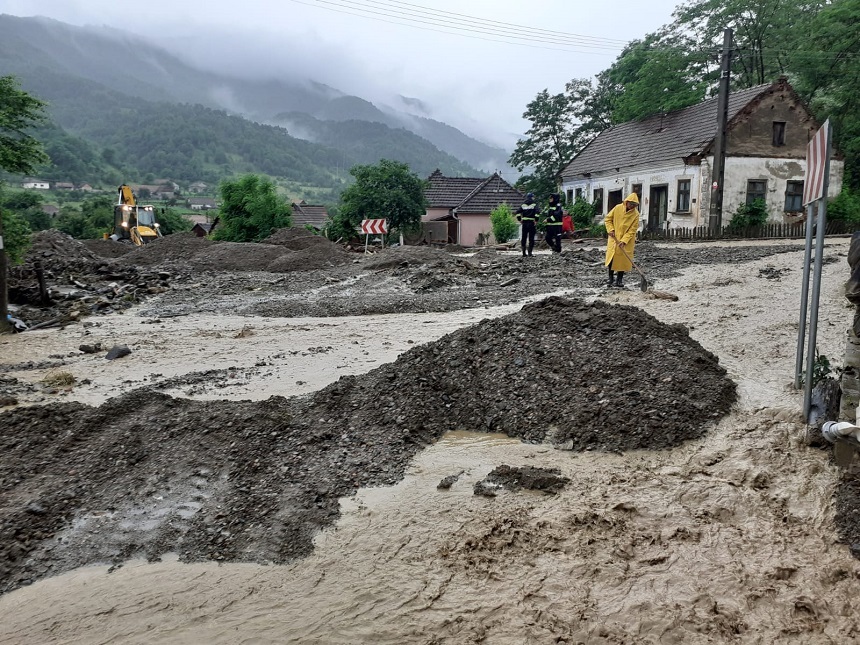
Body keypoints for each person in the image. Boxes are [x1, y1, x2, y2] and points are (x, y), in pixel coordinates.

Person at [604, 193, 640, 288]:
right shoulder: (617, 208)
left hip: (626, 241)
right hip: (614, 238)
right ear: (626, 202)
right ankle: (610, 278)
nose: (632, 207)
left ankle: (619, 280)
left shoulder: (636, 215)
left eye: (634, 205)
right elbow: (608, 219)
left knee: (623, 260)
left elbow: (633, 229)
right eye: (631, 204)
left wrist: (624, 240)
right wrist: (610, 229)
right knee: (611, 258)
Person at [515, 192, 539, 257]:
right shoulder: (534, 204)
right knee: (531, 238)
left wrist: (519, 219)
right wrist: (536, 220)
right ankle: (530, 253)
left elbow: (517, 212)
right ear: (532, 197)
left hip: (524, 223)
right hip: (531, 223)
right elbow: (537, 213)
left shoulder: (523, 204)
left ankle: (523, 253)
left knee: (524, 237)